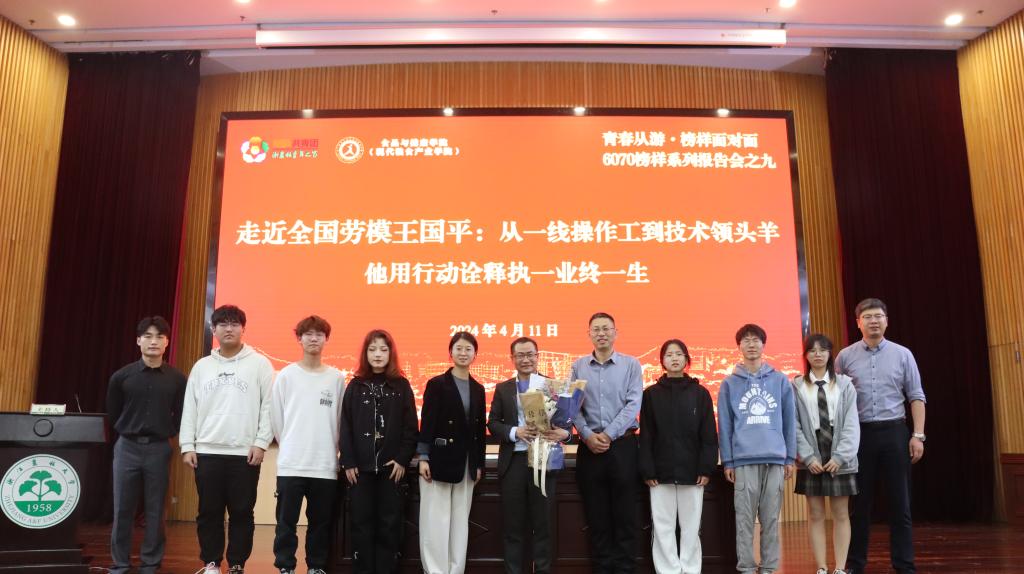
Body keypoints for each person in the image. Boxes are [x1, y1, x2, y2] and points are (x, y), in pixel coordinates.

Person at [179, 304, 274, 574]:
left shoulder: (259, 364)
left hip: (244, 454)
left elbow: (269, 407)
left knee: (242, 512)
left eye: (234, 324)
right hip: (207, 452)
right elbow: (190, 408)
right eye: (223, 324)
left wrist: (261, 442)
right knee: (209, 512)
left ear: (243, 329)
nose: (228, 329)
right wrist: (188, 445)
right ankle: (211, 563)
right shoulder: (202, 366)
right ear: (214, 329)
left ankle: (236, 564)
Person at [836, 298, 926, 574]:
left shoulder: (903, 354)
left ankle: (904, 565)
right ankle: (855, 565)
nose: (873, 321)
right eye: (867, 317)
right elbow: (834, 399)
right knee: (859, 505)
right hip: (859, 435)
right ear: (858, 323)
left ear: (886, 321)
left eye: (878, 316)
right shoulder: (845, 357)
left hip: (895, 432)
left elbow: (916, 396)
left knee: (900, 504)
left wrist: (918, 435)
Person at [106, 316, 187, 574]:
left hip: (159, 448)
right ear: (138, 341)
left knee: (156, 509)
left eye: (159, 337)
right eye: (148, 336)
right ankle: (120, 563)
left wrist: (168, 434)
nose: (154, 341)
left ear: (167, 342)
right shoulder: (122, 376)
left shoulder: (177, 379)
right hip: (127, 447)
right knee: (122, 508)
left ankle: (150, 563)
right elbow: (113, 413)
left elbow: (181, 414)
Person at [487, 337, 571, 574]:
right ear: (512, 358)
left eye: (530, 354)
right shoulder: (503, 388)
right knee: (512, 527)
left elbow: (566, 424)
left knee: (543, 526)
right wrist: (516, 431)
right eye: (520, 355)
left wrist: (564, 434)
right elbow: (492, 423)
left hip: (544, 461)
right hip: (513, 462)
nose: (526, 359)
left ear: (537, 356)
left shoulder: (552, 386)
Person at [717, 323, 796, 574]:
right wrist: (728, 461)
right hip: (743, 460)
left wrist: (790, 457)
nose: (751, 344)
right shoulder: (729, 384)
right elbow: (725, 425)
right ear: (739, 346)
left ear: (763, 344)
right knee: (744, 520)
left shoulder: (780, 380)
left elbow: (789, 421)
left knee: (771, 519)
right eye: (746, 340)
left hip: (774, 459)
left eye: (756, 340)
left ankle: (769, 567)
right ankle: (747, 568)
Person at [270, 315, 345, 574]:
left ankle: (316, 566)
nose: (314, 339)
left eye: (319, 334)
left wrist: (332, 451)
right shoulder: (286, 376)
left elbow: (340, 421)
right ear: (299, 339)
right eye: (308, 334)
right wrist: (291, 444)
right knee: (286, 522)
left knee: (320, 523)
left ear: (326, 339)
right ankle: (285, 566)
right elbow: (277, 419)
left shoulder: (336, 378)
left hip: (325, 464)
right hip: (291, 463)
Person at [340, 329, 418, 574]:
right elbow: (345, 426)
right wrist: (348, 460)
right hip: (360, 470)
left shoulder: (401, 386)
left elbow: (410, 428)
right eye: (372, 349)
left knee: (389, 525)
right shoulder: (355, 385)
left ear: (390, 353)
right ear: (365, 353)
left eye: (383, 349)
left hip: (391, 470)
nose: (378, 354)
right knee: (361, 525)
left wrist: (402, 459)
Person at [570, 312, 643, 574]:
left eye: (606, 328)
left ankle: (624, 570)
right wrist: (587, 435)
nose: (601, 333)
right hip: (589, 449)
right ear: (588, 334)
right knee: (597, 518)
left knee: (625, 517)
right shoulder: (578, 367)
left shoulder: (631, 365)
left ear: (615, 332)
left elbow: (633, 404)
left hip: (623, 447)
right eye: (596, 329)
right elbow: (572, 406)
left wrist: (608, 434)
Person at [639, 339, 717, 574]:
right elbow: (646, 435)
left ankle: (691, 569)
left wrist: (706, 468)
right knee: (662, 526)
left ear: (686, 359)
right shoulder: (651, 394)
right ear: (662, 361)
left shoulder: (700, 394)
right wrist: (648, 469)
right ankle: (668, 570)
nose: (674, 358)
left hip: (692, 472)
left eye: (679, 354)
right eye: (669, 355)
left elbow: (708, 435)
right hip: (659, 473)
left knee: (691, 527)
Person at [417, 331, 487, 574]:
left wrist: (479, 464)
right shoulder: (437, 384)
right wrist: (423, 457)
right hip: (439, 460)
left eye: (468, 349)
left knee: (460, 523)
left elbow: (479, 430)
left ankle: (456, 570)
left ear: (475, 354)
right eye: (459, 348)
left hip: (467, 464)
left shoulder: (478, 388)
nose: (463, 353)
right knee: (435, 522)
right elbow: (427, 422)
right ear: (450, 352)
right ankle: (435, 570)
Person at [792, 334, 860, 574]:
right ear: (806, 355)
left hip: (839, 450)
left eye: (822, 350)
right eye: (812, 350)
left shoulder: (845, 384)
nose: (817, 354)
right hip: (811, 451)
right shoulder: (796, 386)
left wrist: (840, 456)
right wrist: (807, 457)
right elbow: (794, 426)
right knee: (816, 514)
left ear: (830, 353)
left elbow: (851, 423)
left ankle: (840, 568)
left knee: (841, 513)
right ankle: (821, 567)